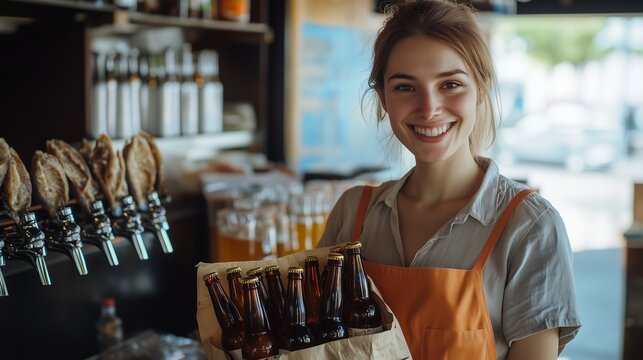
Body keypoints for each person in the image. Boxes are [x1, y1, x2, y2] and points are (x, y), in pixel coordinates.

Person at [317, 1, 581, 359]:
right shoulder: (353, 213)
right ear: (383, 98)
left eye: (451, 84)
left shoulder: (529, 227)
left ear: (481, 89)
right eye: (405, 88)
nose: (429, 109)